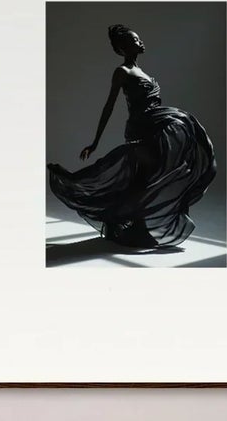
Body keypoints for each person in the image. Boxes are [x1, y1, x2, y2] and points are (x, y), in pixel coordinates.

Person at [48, 23, 217, 251]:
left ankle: (130, 222)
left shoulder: (144, 73)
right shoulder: (123, 72)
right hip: (140, 130)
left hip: (155, 129)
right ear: (122, 48)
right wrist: (95, 142)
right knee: (144, 180)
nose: (139, 42)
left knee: (144, 180)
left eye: (138, 39)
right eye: (133, 40)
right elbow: (109, 106)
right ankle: (131, 223)